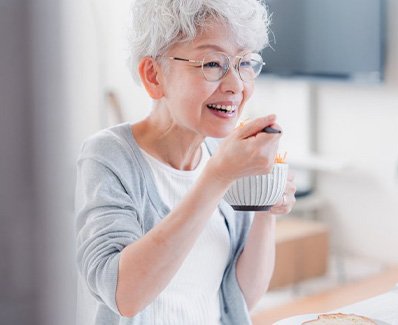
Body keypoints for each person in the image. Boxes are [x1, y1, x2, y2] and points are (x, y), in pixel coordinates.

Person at [75, 0, 296, 324]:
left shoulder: (223, 154)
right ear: (154, 75)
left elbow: (241, 298)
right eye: (211, 63)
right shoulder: (109, 156)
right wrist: (217, 177)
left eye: (245, 63)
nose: (236, 85)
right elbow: (125, 295)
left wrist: (266, 209)